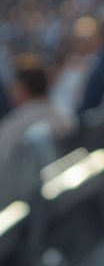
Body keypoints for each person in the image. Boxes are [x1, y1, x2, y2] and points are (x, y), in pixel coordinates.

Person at [0, 54, 76, 206]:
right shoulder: (66, 117)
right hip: (61, 202)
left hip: (21, 211)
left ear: (20, 87)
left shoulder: (12, 129)